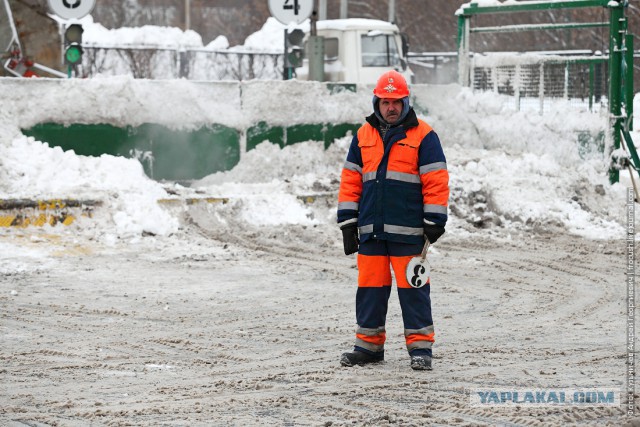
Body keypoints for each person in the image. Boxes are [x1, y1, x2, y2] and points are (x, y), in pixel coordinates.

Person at [337, 70, 449, 371]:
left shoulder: (424, 135)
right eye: (386, 102)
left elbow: (436, 179)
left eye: (396, 102)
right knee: (370, 289)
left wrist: (435, 219)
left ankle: (421, 347)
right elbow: (351, 180)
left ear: (406, 102)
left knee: (414, 290)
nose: (391, 108)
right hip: (372, 231)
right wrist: (348, 222)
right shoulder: (363, 135)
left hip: (409, 231)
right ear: (377, 101)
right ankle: (369, 346)